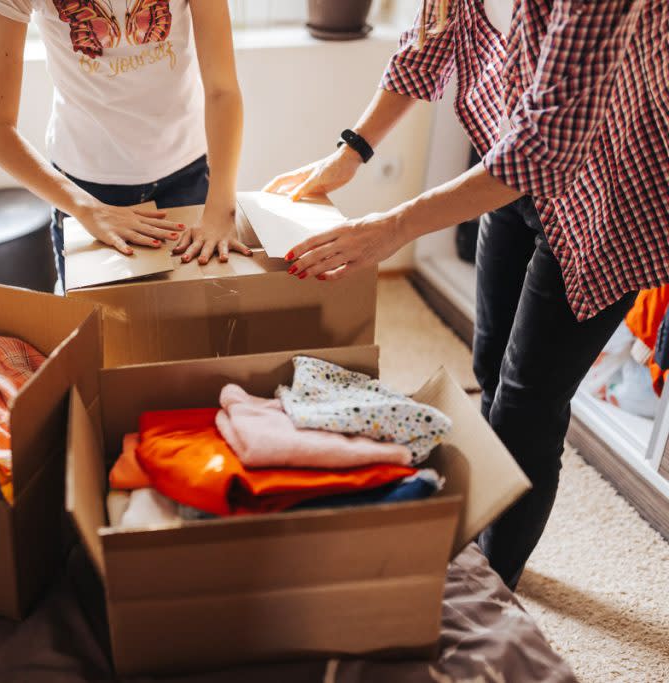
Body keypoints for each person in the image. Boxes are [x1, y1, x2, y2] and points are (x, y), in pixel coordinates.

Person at [265, 0, 668, 589]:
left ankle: (492, 588)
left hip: (613, 188)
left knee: (527, 404)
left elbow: (543, 150)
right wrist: (351, 151)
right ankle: (484, 530)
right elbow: (430, 36)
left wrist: (395, 226)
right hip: (502, 165)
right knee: (489, 365)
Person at [0, 0, 251, 292]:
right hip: (83, 188)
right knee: (99, 330)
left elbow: (222, 90)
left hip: (187, 175)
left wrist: (221, 208)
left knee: (190, 325)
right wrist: (87, 209)